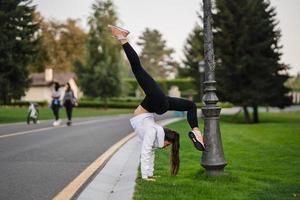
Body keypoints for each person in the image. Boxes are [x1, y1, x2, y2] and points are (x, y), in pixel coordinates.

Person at [108, 25, 205, 181]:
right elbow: (147, 152)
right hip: (155, 104)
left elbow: (147, 152)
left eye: (167, 145)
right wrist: (147, 176)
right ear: (164, 137)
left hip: (155, 104)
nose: (165, 147)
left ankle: (122, 38)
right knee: (190, 105)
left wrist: (148, 175)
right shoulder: (153, 132)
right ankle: (196, 132)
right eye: (168, 145)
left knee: (138, 69)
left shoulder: (153, 135)